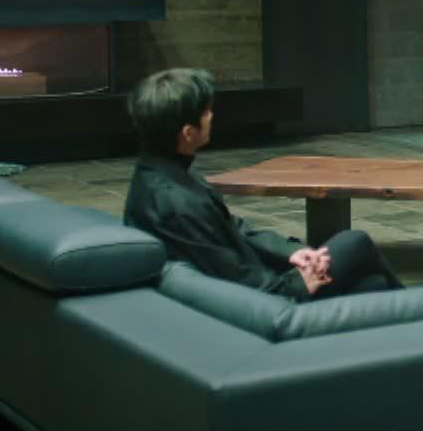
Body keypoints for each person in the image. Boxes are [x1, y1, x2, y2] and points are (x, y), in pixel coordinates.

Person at [122, 67, 403, 300]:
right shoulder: (176, 205)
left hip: (266, 280)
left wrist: (293, 252)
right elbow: (227, 274)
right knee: (354, 242)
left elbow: (233, 228)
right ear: (187, 133)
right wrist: (296, 284)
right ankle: (422, 318)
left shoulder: (164, 174)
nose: (212, 116)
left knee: (373, 286)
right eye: (206, 112)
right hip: (267, 299)